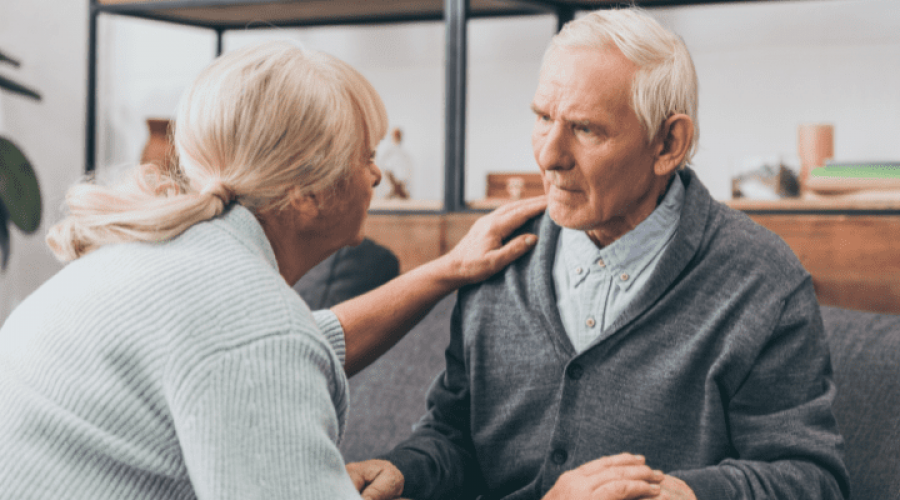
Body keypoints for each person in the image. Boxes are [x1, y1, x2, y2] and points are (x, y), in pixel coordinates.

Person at [0, 40, 547, 499]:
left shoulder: (166, 256)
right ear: (307, 195)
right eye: (364, 157)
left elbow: (302, 342)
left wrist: (446, 270)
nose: (377, 176)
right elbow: (265, 346)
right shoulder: (252, 327)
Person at [348, 8, 849, 500]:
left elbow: (811, 479)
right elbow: (455, 434)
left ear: (669, 144)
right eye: (543, 117)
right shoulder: (497, 256)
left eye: (586, 129)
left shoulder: (763, 282)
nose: (548, 156)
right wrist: (404, 470)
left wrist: (683, 493)